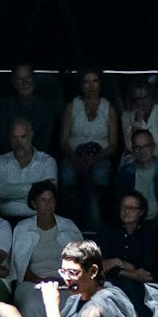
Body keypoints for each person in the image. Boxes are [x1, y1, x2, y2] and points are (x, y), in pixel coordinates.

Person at [7, 180, 82, 317]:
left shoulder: (68, 226)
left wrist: (62, 281)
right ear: (34, 203)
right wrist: (41, 281)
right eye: (43, 200)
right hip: (32, 283)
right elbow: (19, 267)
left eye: (51, 200)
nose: (48, 204)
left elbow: (80, 260)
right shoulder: (23, 228)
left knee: (76, 302)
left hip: (65, 283)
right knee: (31, 304)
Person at [58, 69, 120, 231]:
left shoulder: (108, 108)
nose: (91, 86)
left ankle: (98, 223)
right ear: (81, 85)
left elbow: (113, 144)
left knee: (100, 173)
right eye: (87, 81)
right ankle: (70, 221)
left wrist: (93, 160)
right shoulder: (72, 106)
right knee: (67, 173)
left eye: (95, 81)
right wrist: (75, 158)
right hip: (75, 154)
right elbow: (64, 139)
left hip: (100, 155)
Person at [0, 117, 57, 220]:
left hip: (38, 221)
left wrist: (12, 192)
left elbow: (49, 193)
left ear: (31, 135)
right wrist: (36, 188)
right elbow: (0, 191)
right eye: (15, 137)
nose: (19, 143)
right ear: (10, 138)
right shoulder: (1, 161)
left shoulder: (47, 162)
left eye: (23, 137)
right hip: (6, 220)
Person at [114, 128, 158, 223]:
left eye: (146, 146)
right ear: (133, 150)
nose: (142, 151)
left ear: (153, 147)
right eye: (137, 147)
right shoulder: (125, 173)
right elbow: (120, 203)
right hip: (133, 223)